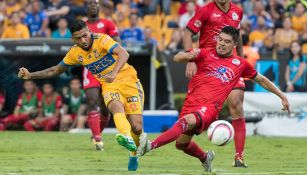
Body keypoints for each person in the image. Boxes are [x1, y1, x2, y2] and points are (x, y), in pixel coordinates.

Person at [137, 26, 290, 172]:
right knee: (181, 144)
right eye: (220, 39)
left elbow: (261, 79)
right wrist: (186, 56)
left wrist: (282, 96)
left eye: (227, 41)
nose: (222, 44)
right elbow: (177, 57)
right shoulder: (205, 53)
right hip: (191, 104)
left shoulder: (240, 64)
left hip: (209, 108)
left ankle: (150, 146)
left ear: (235, 44)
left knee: (188, 121)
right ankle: (205, 157)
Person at [18, 19, 144, 171]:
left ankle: (133, 152)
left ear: (89, 32)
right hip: (109, 85)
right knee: (116, 108)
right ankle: (127, 138)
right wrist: (30, 76)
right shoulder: (75, 53)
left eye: (85, 35)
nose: (83, 40)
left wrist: (114, 72)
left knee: (137, 127)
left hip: (129, 81)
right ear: (73, 39)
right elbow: (55, 70)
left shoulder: (102, 39)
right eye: (78, 38)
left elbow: (124, 53)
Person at [183, 0, 248, 167]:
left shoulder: (237, 12)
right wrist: (190, 59)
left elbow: (237, 35)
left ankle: (239, 157)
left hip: (230, 66)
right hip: (208, 66)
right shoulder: (205, 11)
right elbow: (187, 33)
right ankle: (203, 156)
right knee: (185, 134)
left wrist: (241, 58)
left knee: (236, 103)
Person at [85, 0, 121, 151]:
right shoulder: (82, 26)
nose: (93, 5)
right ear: (87, 7)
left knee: (105, 107)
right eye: (90, 3)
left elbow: (118, 43)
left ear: (99, 6)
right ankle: (97, 139)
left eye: (96, 3)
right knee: (92, 100)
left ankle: (96, 132)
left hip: (106, 68)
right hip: (90, 67)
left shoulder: (108, 24)